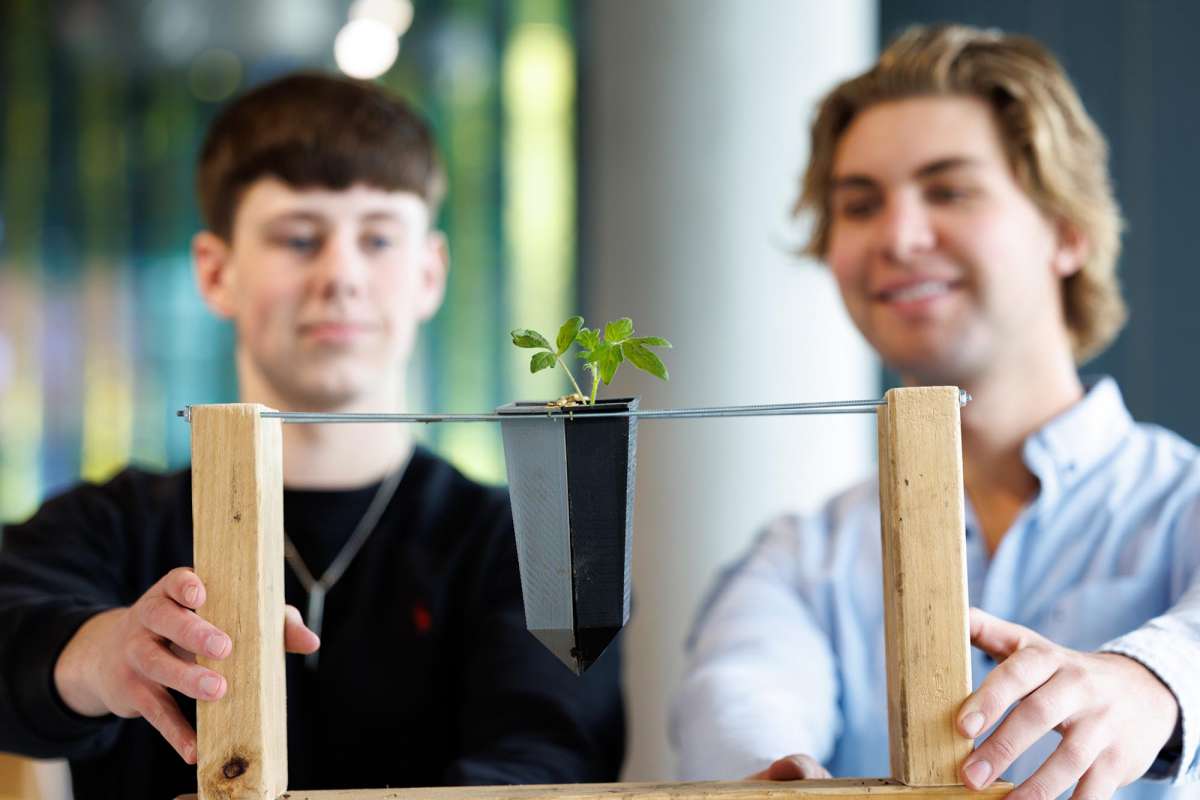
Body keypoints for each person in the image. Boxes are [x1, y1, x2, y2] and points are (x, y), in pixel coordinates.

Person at [0, 73, 624, 799]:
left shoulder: (524, 545)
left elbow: (551, 758)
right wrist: (103, 653)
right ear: (216, 271)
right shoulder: (109, 526)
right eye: (299, 237)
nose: (342, 276)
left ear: (430, 274)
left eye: (379, 238)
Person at [672, 24, 1199, 800]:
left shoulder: (1182, 499)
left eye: (949, 190)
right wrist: (774, 775)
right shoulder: (800, 558)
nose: (899, 236)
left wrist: (1151, 677)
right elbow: (738, 685)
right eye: (859, 204)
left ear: (1067, 231)